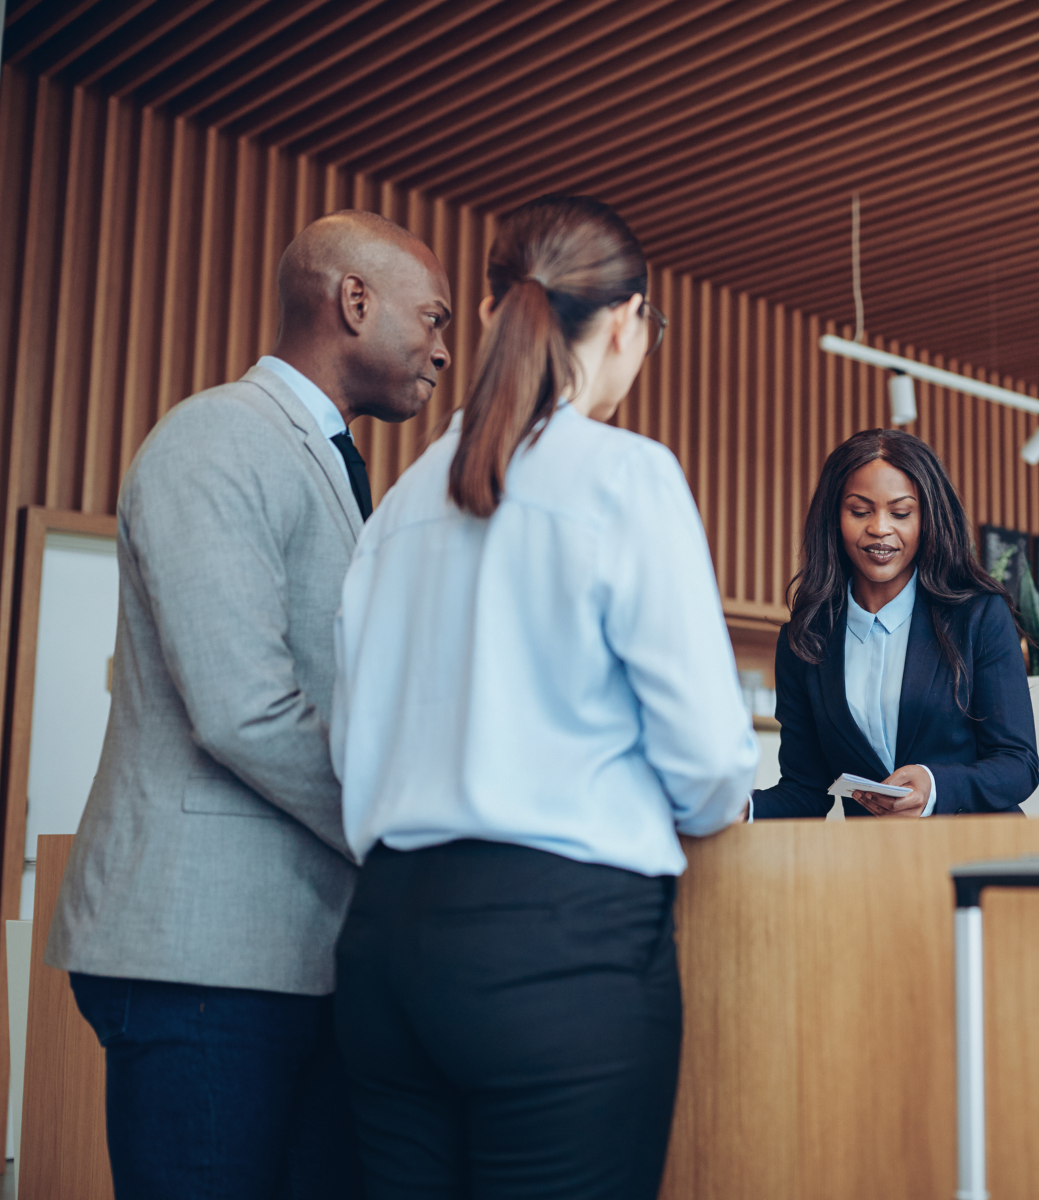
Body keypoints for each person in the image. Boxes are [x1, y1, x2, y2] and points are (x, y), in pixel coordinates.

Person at [330, 194, 755, 1199]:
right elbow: (707, 760)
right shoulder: (627, 477)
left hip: (386, 949)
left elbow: (352, 747)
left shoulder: (399, 502)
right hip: (558, 950)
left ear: (494, 312)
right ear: (625, 323)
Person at [45, 210, 452, 1197]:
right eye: (433, 318)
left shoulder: (332, 464)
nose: (443, 349)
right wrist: (402, 829)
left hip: (287, 957)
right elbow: (242, 707)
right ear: (354, 300)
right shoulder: (218, 439)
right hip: (203, 960)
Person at [752, 428, 1038, 818]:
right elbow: (805, 789)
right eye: (860, 511)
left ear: (927, 519)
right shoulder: (806, 640)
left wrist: (933, 785)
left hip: (977, 856)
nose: (880, 528)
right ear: (835, 518)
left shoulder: (978, 616)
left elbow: (1018, 765)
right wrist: (740, 808)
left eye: (901, 513)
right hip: (876, 865)